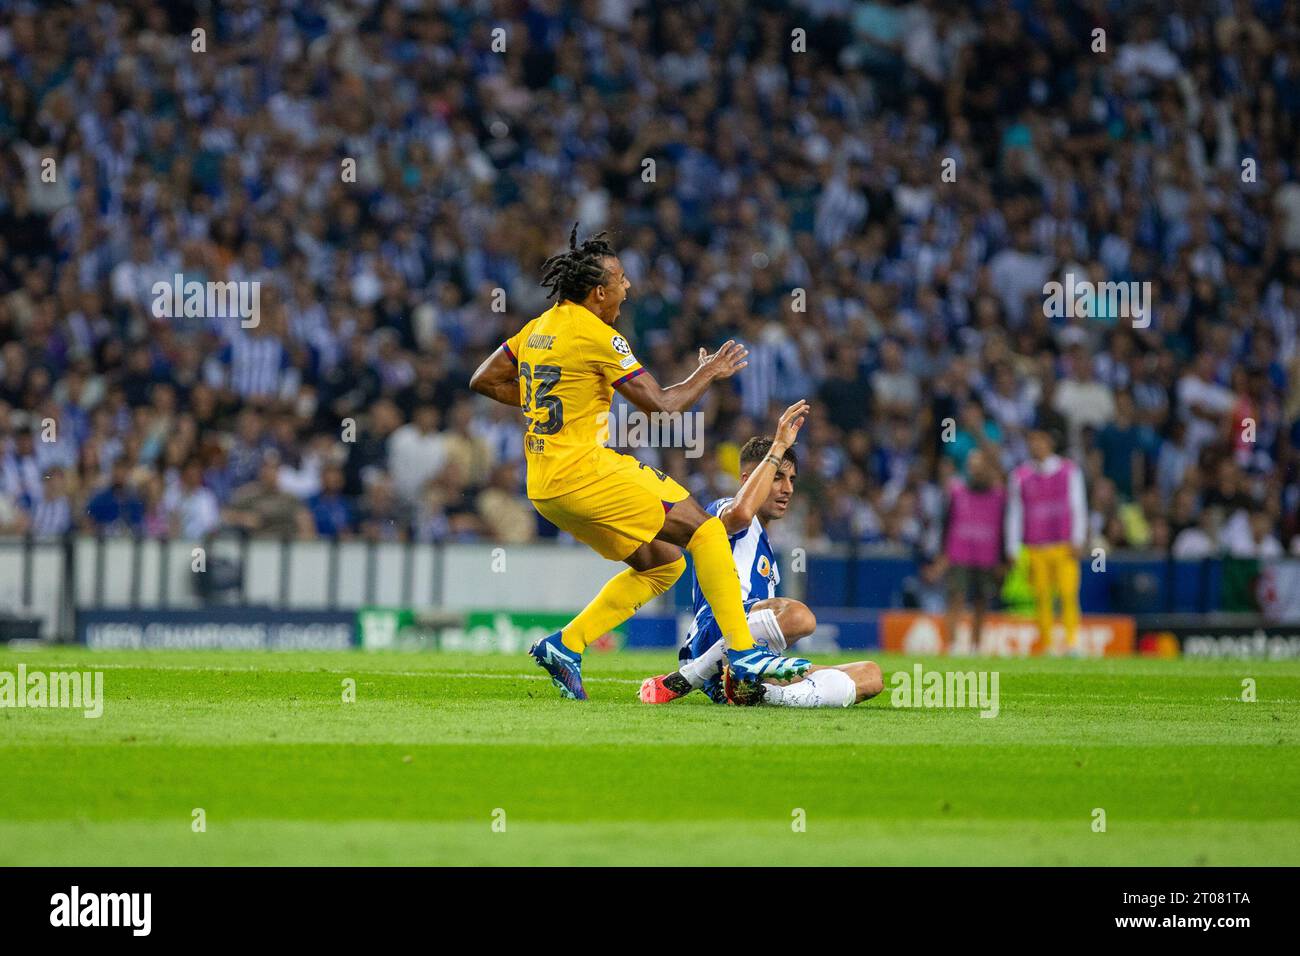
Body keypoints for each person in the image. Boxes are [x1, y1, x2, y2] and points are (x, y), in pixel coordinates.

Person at [469, 225, 810, 699]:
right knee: (707, 530)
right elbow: (664, 407)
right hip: (585, 472)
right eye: (622, 280)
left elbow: (483, 379)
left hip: (545, 488)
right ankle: (743, 651)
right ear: (599, 291)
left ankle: (566, 645)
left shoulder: (538, 328)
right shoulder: (598, 335)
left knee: (664, 564)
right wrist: (708, 372)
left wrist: (546, 402)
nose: (628, 288)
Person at [639, 402, 883, 708]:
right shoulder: (723, 512)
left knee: (871, 676)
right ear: (747, 480)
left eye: (792, 480)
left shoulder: (766, 545)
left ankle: (764, 694)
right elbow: (741, 512)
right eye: (777, 477)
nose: (787, 489)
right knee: (800, 617)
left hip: (750, 663)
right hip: (712, 635)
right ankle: (690, 676)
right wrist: (780, 444)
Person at [1005, 426, 1087, 653]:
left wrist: (1078, 537)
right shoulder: (1020, 475)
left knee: (1068, 593)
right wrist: (1012, 547)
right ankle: (1048, 644)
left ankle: (1072, 643)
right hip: (1035, 546)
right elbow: (1015, 512)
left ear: (1050, 442)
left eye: (1040, 440)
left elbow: (1077, 505)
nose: (1035, 445)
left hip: (1063, 544)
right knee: (1041, 597)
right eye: (1032, 441)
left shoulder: (1068, 470)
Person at [937, 447, 1006, 653]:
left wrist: (1002, 559)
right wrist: (943, 554)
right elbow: (946, 523)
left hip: (987, 555)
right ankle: (952, 645)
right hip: (959, 553)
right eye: (972, 466)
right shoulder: (956, 491)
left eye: (979, 466)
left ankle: (976, 647)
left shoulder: (999, 495)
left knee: (981, 601)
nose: (975, 471)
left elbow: (1003, 527)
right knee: (956, 597)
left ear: (987, 468)